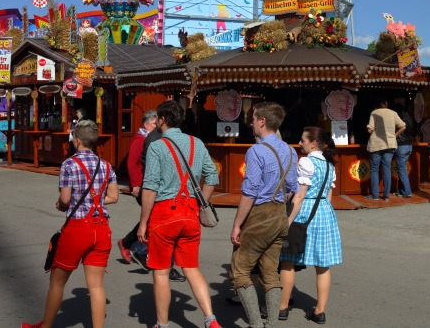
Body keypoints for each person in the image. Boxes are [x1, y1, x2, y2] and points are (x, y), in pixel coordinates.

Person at [22, 120, 119, 328]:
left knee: (57, 281)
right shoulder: (106, 165)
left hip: (78, 227)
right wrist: (94, 200)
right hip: (101, 227)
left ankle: (46, 326)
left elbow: (65, 200)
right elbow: (114, 196)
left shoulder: (69, 164)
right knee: (96, 286)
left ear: (77, 140)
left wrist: (62, 204)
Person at [137, 100, 221, 328]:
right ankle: (210, 319)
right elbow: (212, 177)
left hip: (164, 214)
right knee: (192, 269)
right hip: (190, 212)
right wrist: (200, 202)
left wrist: (143, 222)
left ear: (162, 120)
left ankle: (162, 324)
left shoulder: (157, 146)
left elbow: (151, 186)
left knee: (161, 273)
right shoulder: (196, 143)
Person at [230, 102, 298, 328]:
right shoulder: (290, 150)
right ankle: (270, 324)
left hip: (260, 215)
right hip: (279, 215)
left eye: (253, 118)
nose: (251, 122)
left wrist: (237, 224)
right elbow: (292, 188)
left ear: (262, 121)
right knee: (270, 273)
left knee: (240, 272)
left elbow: (249, 192)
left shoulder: (256, 151)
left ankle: (256, 325)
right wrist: (276, 200)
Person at [279, 126, 342, 324]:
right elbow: (329, 198)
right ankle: (320, 311)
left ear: (313, 143)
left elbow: (299, 196)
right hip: (324, 212)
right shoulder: (330, 166)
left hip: (305, 212)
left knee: (288, 260)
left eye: (303, 140)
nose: (300, 143)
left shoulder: (306, 162)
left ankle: (282, 307)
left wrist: (287, 221)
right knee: (322, 266)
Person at [117, 110, 185, 282]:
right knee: (155, 220)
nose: (157, 126)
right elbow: (132, 164)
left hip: (153, 187)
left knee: (153, 219)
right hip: (145, 187)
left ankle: (130, 245)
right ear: (147, 124)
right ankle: (144, 253)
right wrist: (136, 185)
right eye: (154, 123)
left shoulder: (156, 139)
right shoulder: (141, 139)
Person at [366, 99, 406, 201]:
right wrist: (394, 135)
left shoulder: (374, 112)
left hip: (376, 144)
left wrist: (375, 134)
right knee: (387, 169)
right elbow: (403, 126)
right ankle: (386, 196)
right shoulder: (393, 113)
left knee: (374, 169)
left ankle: (375, 196)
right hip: (390, 144)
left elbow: (370, 129)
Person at [394, 106, 414, 197]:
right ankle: (401, 191)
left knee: (402, 170)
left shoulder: (399, 122)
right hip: (409, 146)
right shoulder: (409, 120)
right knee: (403, 169)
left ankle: (407, 192)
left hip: (401, 146)